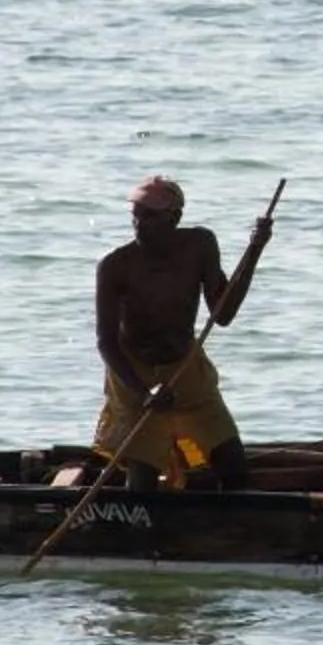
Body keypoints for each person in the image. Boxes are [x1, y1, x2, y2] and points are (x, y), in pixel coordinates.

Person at [93, 175, 276, 491]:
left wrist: (254, 251)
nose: (139, 223)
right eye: (135, 214)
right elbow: (106, 342)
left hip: (186, 368)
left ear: (174, 217)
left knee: (234, 468)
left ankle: (230, 534)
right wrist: (143, 392)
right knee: (142, 485)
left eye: (150, 215)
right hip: (134, 376)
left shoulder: (200, 245)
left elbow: (223, 314)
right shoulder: (115, 265)